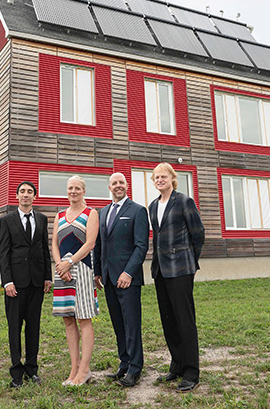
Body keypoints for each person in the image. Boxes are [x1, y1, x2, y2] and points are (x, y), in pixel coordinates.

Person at [147, 163, 205, 392]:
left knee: (184, 320)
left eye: (163, 176)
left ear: (172, 178)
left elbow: (198, 234)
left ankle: (191, 371)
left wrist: (188, 260)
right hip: (161, 270)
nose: (159, 180)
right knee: (168, 320)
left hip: (181, 269)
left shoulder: (183, 201)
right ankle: (177, 364)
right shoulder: (153, 206)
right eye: (156, 177)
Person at [94, 172, 149, 387]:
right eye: (114, 183)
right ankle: (124, 364)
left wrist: (129, 273)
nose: (118, 185)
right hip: (108, 278)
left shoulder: (137, 211)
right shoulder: (103, 212)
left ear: (127, 186)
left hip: (128, 279)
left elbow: (141, 246)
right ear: (109, 187)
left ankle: (135, 369)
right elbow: (100, 245)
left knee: (131, 324)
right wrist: (98, 271)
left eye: (121, 182)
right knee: (118, 324)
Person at [0, 181, 52, 388]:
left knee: (33, 327)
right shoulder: (7, 220)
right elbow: (3, 253)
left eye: (30, 192)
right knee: (14, 328)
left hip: (37, 282)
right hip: (15, 284)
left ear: (34, 196)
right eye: (22, 192)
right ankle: (16, 372)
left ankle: (32, 369)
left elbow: (43, 249)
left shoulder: (41, 218)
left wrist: (47, 276)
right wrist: (7, 281)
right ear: (17, 195)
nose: (26, 195)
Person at [51, 175, 99, 386]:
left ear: (83, 191)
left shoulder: (91, 213)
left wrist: (69, 262)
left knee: (84, 319)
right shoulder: (60, 215)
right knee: (68, 320)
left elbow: (90, 243)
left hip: (83, 270)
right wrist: (60, 266)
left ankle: (84, 370)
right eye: (70, 188)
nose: (73, 191)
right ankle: (73, 368)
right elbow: (53, 243)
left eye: (77, 188)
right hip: (63, 271)